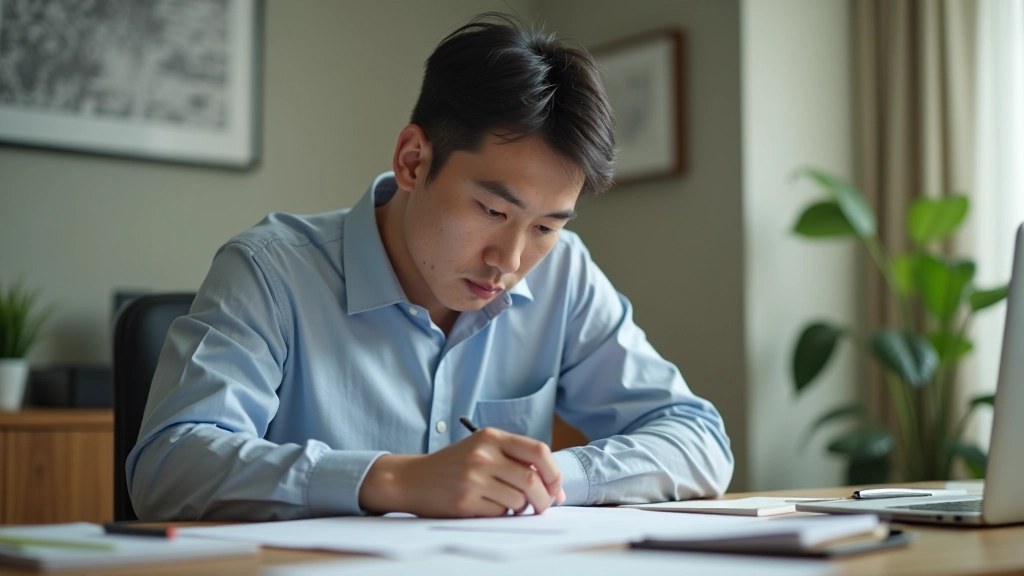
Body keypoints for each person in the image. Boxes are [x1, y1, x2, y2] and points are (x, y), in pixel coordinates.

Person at [127, 13, 733, 521]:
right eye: (492, 210)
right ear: (413, 161)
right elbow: (169, 465)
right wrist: (392, 480)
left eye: (547, 227)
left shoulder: (564, 275)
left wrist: (546, 478)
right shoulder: (270, 271)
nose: (510, 261)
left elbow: (699, 439)